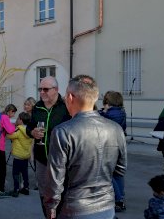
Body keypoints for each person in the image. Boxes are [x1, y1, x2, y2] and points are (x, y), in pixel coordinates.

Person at [44, 75, 127, 219]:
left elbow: (55, 179)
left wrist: (51, 207)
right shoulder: (116, 129)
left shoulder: (62, 131)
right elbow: (120, 169)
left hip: (75, 208)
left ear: (70, 97)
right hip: (107, 207)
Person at [26, 76, 71, 216]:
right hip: (41, 160)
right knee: (44, 194)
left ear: (56, 90)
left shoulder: (65, 107)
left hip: (60, 160)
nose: (42, 92)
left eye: (46, 89)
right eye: (40, 89)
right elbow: (29, 128)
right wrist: (32, 132)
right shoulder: (37, 107)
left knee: (61, 193)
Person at [99, 90, 127, 212]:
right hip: (119, 144)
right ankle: (120, 198)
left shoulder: (111, 113)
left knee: (108, 173)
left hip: (110, 145)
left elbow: (102, 118)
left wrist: (103, 112)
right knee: (118, 173)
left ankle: (118, 199)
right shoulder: (121, 111)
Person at [5, 112, 32, 197]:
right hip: (25, 156)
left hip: (17, 156)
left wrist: (10, 127)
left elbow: (9, 136)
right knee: (25, 173)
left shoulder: (19, 129)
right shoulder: (29, 130)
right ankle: (26, 188)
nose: (16, 120)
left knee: (15, 173)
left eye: (17, 118)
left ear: (20, 120)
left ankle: (16, 189)